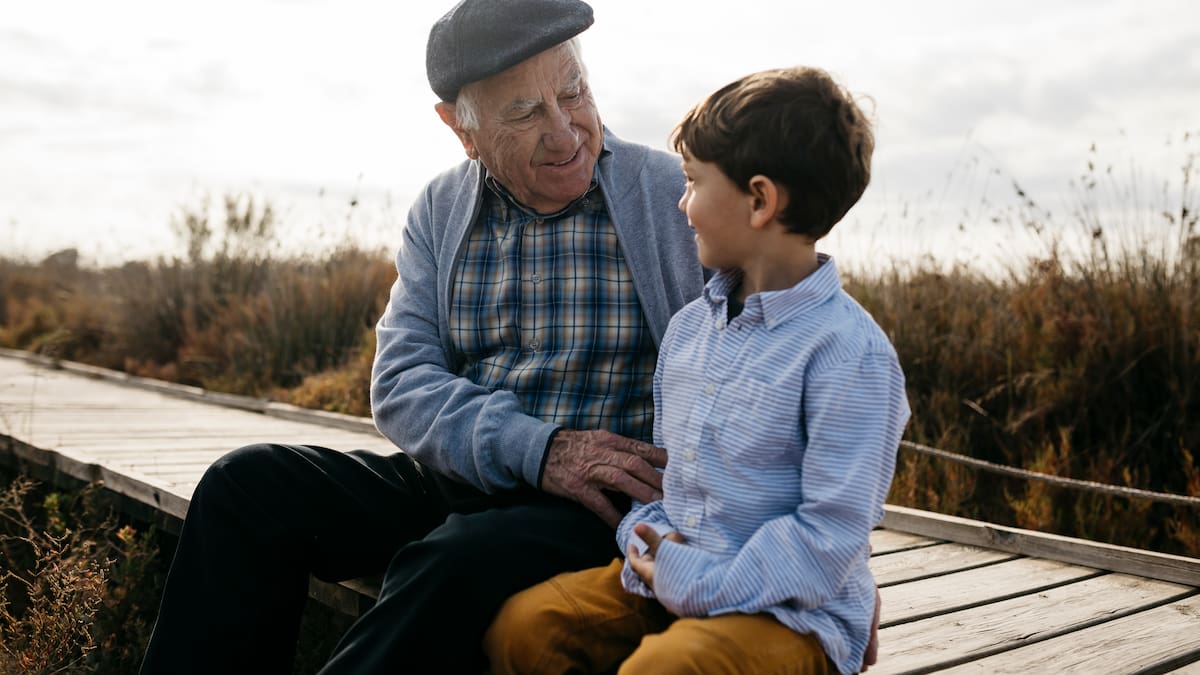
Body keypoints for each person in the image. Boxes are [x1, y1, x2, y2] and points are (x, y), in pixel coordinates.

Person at [138, 1, 708, 673]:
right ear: (460, 129)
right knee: (246, 485)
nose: (565, 133)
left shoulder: (672, 195)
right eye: (525, 112)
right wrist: (538, 446)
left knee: (453, 559)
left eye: (574, 91)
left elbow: (770, 340)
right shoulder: (440, 208)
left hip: (596, 503)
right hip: (462, 476)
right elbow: (402, 383)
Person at [483, 66, 911, 675]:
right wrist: (644, 541)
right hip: (669, 578)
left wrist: (689, 579)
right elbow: (672, 483)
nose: (681, 204)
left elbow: (828, 540)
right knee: (526, 630)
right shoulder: (688, 333)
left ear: (760, 200)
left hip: (791, 617)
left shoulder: (850, 355)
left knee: (664, 669)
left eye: (692, 183)